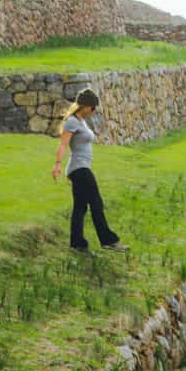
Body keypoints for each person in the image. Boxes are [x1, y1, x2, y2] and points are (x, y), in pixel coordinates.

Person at [51, 89, 129, 254]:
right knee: (96, 203)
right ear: (85, 106)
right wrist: (57, 164)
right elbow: (63, 144)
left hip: (81, 167)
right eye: (92, 107)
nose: (94, 111)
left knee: (80, 207)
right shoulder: (72, 122)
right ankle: (108, 240)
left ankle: (77, 244)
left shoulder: (82, 120)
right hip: (79, 169)